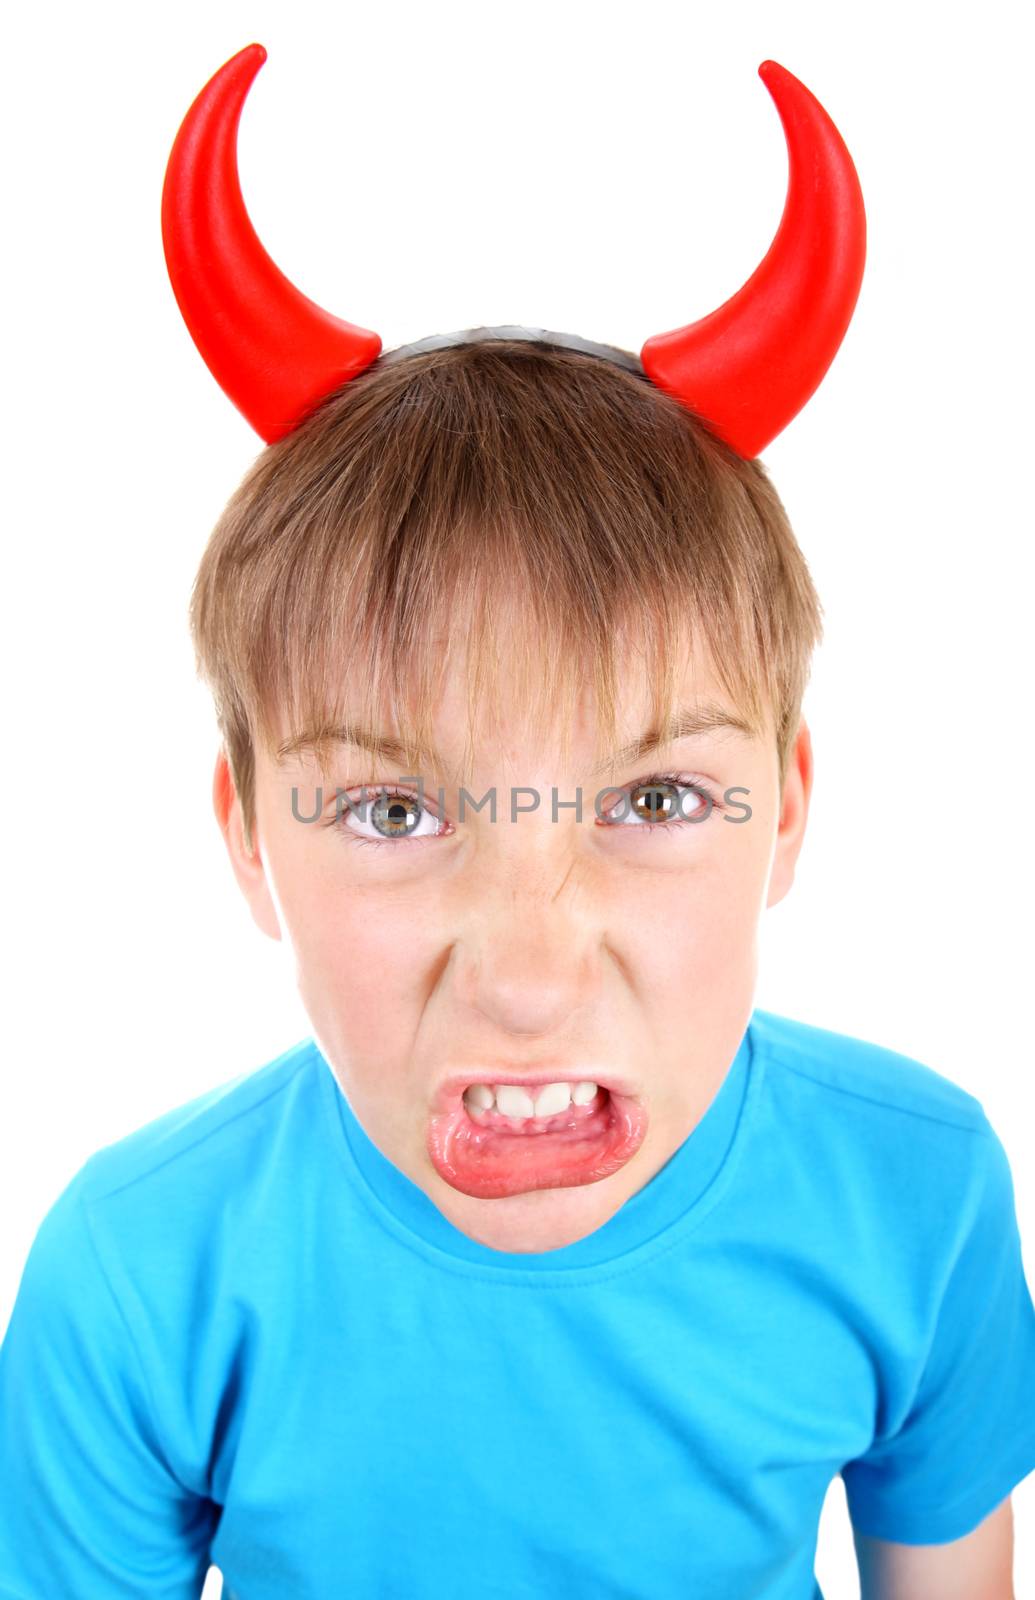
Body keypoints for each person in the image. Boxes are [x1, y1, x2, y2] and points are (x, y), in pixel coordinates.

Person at [1, 42, 1032, 1600]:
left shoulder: (918, 1191)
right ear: (248, 844)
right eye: (396, 808)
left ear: (790, 814)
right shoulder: (138, 1276)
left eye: (658, 798)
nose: (531, 978)